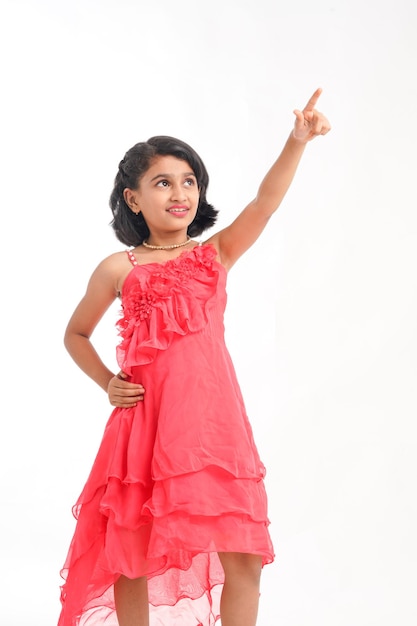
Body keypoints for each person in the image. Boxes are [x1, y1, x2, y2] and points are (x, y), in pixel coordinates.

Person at [58, 88, 331, 626]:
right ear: (134, 198)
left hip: (213, 427)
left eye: (189, 181)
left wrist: (296, 142)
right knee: (131, 557)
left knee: (245, 557)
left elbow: (265, 203)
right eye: (162, 182)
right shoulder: (119, 267)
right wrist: (107, 381)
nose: (179, 193)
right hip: (144, 426)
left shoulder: (215, 254)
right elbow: (75, 334)